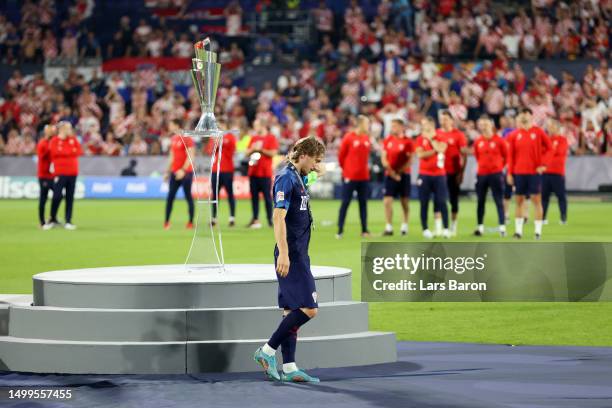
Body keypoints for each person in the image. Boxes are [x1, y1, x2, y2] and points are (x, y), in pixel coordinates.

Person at [253, 136, 326, 383]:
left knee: (290, 311)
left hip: (298, 251)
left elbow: (315, 172)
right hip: (291, 253)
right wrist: (283, 253)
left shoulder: (299, 175)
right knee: (309, 309)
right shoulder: (286, 177)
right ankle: (266, 351)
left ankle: (290, 366)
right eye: (315, 160)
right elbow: (278, 217)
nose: (317, 166)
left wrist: (316, 164)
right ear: (304, 155)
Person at [506, 109, 551, 239]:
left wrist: (544, 165)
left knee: (536, 200)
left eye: (526, 115)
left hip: (533, 172)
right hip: (519, 172)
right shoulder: (514, 135)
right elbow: (511, 156)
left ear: (531, 117)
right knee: (519, 200)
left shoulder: (538, 132)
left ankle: (538, 232)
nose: (524, 117)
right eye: (522, 115)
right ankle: (518, 231)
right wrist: (510, 173)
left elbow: (549, 148)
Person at [336, 115, 372, 238]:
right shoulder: (348, 137)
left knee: (363, 203)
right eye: (367, 124)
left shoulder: (367, 138)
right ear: (361, 124)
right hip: (350, 176)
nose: (369, 126)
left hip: (364, 177)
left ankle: (364, 230)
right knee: (345, 202)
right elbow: (341, 156)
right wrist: (346, 170)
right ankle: (340, 230)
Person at [472, 116, 508, 237]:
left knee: (498, 200)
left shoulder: (499, 140)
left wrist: (498, 167)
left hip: (496, 174)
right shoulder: (478, 141)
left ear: (491, 125)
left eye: (486, 124)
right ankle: (480, 227)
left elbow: (506, 157)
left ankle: (502, 227)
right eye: (482, 124)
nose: (484, 126)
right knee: (480, 201)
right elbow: (477, 156)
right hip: (482, 174)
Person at [415, 117, 450, 239]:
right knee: (424, 202)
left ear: (431, 125)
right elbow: (420, 154)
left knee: (441, 201)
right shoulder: (419, 139)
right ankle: (425, 229)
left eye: (425, 125)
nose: (424, 128)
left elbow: (442, 149)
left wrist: (431, 139)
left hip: (439, 174)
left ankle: (446, 229)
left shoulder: (441, 136)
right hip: (424, 174)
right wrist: (435, 150)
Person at [45, 122, 82, 230]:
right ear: (62, 129)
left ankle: (68, 220)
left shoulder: (73, 140)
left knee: (70, 197)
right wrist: (69, 152)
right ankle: (52, 218)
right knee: (57, 196)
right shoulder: (55, 141)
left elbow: (78, 151)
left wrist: (65, 152)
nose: (70, 130)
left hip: (73, 172)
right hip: (60, 172)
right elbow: (54, 153)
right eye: (68, 128)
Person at [436, 110, 468, 236]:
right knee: (439, 199)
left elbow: (464, 154)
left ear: (451, 120)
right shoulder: (437, 133)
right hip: (439, 172)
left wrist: (461, 172)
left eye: (445, 119)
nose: (443, 121)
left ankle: (453, 226)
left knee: (453, 200)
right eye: (441, 119)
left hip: (453, 171)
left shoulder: (458, 135)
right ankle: (440, 227)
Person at [381, 118, 413, 236]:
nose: (393, 128)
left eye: (395, 126)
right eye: (392, 125)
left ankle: (404, 225)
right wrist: (391, 172)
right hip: (390, 174)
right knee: (387, 201)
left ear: (401, 127)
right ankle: (388, 226)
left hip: (404, 174)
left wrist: (399, 172)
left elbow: (410, 160)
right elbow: (384, 158)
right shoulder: (387, 140)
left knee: (404, 201)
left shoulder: (407, 141)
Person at [245, 120, 279, 229]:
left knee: (267, 198)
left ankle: (270, 220)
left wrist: (261, 150)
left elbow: (273, 153)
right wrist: (253, 150)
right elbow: (246, 152)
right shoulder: (253, 138)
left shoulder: (271, 138)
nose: (255, 128)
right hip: (253, 172)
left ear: (262, 126)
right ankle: (255, 219)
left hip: (265, 173)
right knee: (254, 198)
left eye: (256, 126)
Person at [164, 119, 195, 230]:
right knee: (170, 197)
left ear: (176, 125)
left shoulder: (187, 139)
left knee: (188, 197)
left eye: (170, 124)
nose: (169, 126)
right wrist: (167, 172)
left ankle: (191, 222)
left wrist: (183, 170)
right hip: (174, 172)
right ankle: (166, 222)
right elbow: (172, 157)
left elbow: (191, 156)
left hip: (185, 173)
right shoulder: (173, 139)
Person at [208, 125, 237, 227]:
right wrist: (215, 143)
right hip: (216, 170)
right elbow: (209, 152)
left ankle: (232, 218)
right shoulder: (214, 138)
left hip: (227, 170)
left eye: (220, 126)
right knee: (215, 195)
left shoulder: (230, 137)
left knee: (230, 194)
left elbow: (232, 151)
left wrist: (220, 141)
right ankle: (214, 218)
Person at [542, 119, 568, 225]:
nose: (549, 128)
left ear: (557, 128)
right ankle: (543, 218)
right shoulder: (546, 139)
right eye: (548, 126)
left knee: (561, 196)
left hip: (557, 172)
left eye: (552, 126)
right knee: (544, 196)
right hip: (545, 172)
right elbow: (542, 153)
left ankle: (563, 217)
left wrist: (549, 151)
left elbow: (559, 151)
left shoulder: (563, 139)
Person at [37, 124, 56, 228]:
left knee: (58, 195)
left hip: (52, 175)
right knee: (43, 198)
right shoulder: (42, 143)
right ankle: (42, 221)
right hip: (44, 175)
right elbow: (41, 156)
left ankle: (52, 217)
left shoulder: (52, 142)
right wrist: (49, 148)